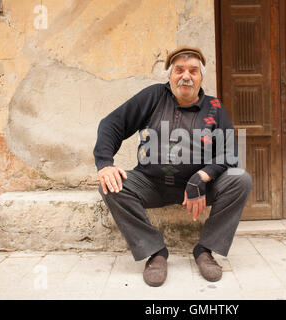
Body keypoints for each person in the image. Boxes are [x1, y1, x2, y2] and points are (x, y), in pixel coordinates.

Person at [93, 46, 252, 287]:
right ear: (170, 76)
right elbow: (111, 124)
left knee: (240, 179)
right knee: (109, 186)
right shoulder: (153, 96)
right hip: (151, 184)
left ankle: (205, 250)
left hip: (199, 189)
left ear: (201, 78)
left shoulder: (214, 107)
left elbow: (231, 152)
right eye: (179, 70)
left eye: (193, 71)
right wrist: (105, 163)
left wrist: (203, 176)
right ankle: (155, 252)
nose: (186, 76)